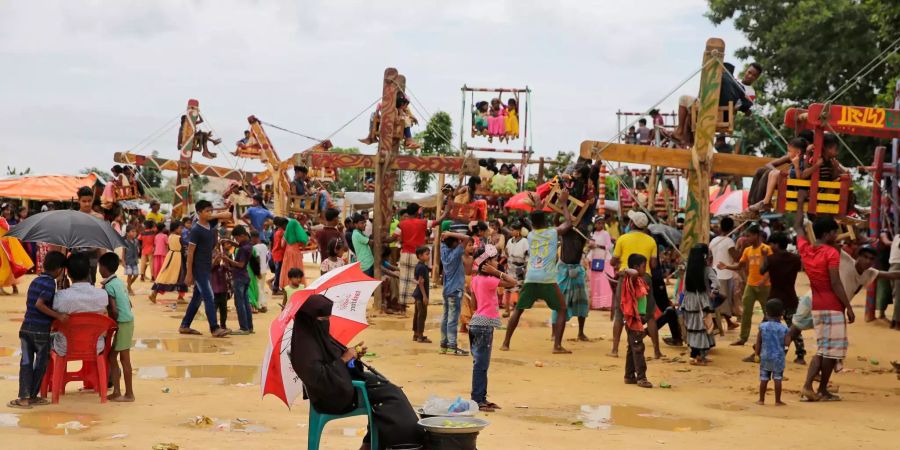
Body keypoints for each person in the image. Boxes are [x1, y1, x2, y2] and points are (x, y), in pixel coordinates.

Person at [289, 295, 423, 449]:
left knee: (391, 389)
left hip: (341, 383)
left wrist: (353, 357)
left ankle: (371, 443)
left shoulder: (317, 336)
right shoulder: (304, 349)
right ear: (310, 320)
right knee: (390, 399)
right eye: (322, 319)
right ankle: (405, 443)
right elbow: (319, 378)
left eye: (328, 318)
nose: (326, 322)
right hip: (331, 396)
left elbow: (334, 360)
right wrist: (345, 359)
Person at [501, 191, 575, 354]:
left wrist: (536, 205)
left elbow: (535, 221)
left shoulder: (532, 235)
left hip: (531, 277)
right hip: (547, 279)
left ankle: (506, 343)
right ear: (546, 222)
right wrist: (563, 203)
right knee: (562, 308)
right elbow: (569, 223)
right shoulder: (552, 233)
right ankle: (557, 346)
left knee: (518, 310)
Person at [794, 191, 851, 402]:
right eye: (834, 233)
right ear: (827, 234)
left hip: (817, 305)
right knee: (830, 352)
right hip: (832, 306)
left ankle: (814, 388)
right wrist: (849, 307)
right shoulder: (831, 253)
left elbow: (798, 226)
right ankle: (815, 388)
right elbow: (836, 283)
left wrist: (800, 202)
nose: (837, 236)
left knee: (824, 349)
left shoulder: (807, 249)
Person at [9, 251, 66, 409]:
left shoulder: (36, 280)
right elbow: (40, 304)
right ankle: (30, 396)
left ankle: (25, 397)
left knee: (26, 362)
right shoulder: (49, 284)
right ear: (59, 269)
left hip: (26, 328)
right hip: (40, 330)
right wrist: (58, 316)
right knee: (41, 363)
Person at [608, 210, 663, 359]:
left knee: (620, 313)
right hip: (645, 277)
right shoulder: (651, 241)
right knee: (650, 315)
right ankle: (657, 351)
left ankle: (614, 349)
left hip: (625, 277)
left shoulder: (622, 238)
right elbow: (653, 264)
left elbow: (613, 261)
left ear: (632, 223)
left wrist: (620, 263)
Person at [469, 244, 517, 412]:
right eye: (494, 260)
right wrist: (496, 272)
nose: (497, 262)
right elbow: (513, 282)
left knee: (479, 363)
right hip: (484, 325)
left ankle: (481, 397)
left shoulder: (475, 280)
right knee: (481, 365)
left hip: (476, 323)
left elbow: (474, 304)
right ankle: (478, 399)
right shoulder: (490, 280)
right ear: (487, 263)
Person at [180, 200, 232, 338]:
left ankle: (185, 325)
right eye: (207, 211)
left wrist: (213, 215)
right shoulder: (196, 230)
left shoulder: (211, 224)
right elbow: (190, 253)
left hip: (207, 267)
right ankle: (214, 328)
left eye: (211, 210)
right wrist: (189, 273)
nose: (210, 213)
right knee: (209, 296)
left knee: (197, 298)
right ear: (199, 213)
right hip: (198, 268)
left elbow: (228, 215)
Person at [718, 225, 770, 346]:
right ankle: (743, 338)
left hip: (765, 286)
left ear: (756, 235)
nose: (746, 238)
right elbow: (740, 265)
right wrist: (726, 266)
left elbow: (771, 267)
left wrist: (765, 279)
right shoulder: (747, 250)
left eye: (749, 236)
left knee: (767, 312)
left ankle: (766, 339)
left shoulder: (766, 249)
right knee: (746, 312)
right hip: (750, 285)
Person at [52, 253, 113, 356]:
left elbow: (55, 314)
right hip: (95, 346)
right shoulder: (102, 295)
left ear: (69, 274)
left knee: (47, 341)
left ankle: (53, 372)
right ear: (89, 271)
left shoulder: (61, 297)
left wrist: (62, 289)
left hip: (65, 347)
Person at [759, 232, 806, 364]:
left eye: (771, 244)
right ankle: (800, 355)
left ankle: (757, 351)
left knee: (765, 326)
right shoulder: (796, 258)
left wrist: (764, 257)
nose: (770, 246)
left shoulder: (771, 258)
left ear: (776, 244)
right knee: (795, 327)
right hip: (790, 296)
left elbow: (761, 271)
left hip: (774, 297)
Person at [394, 203, 445, 311]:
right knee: (419, 279)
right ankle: (418, 301)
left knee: (404, 280)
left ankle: (402, 305)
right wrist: (447, 211)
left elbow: (393, 237)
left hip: (405, 253)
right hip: (418, 255)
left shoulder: (401, 224)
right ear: (418, 212)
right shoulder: (423, 222)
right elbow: (438, 222)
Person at [98, 253, 135, 402]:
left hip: (123, 323)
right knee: (114, 357)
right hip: (127, 322)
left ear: (104, 268)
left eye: (100, 266)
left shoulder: (108, 286)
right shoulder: (118, 282)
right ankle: (118, 391)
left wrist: (109, 324)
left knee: (123, 359)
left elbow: (114, 310)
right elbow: (129, 304)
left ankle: (129, 394)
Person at [550, 220, 591, 342]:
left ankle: (581, 332)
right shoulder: (565, 231)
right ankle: (554, 333)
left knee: (582, 301)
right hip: (563, 270)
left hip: (577, 269)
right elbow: (557, 225)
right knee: (558, 301)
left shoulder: (582, 231)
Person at [618, 254, 653, 388]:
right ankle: (641, 378)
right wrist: (625, 269)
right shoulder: (632, 279)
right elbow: (632, 273)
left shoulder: (639, 280)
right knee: (638, 347)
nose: (646, 269)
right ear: (636, 267)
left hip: (637, 318)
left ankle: (629, 375)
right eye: (644, 266)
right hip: (633, 319)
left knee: (632, 348)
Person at [681, 244, 716, 365]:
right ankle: (695, 356)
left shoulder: (688, 269)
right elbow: (716, 284)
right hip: (701, 300)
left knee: (694, 327)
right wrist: (713, 292)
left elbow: (684, 288)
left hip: (689, 300)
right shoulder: (707, 269)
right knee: (703, 327)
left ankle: (698, 355)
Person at [439, 231, 471, 356]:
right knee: (452, 319)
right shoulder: (456, 253)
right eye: (457, 241)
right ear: (453, 244)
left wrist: (447, 235)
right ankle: (452, 345)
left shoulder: (444, 251)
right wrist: (451, 233)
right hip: (455, 289)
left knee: (445, 317)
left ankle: (444, 345)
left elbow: (443, 240)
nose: (459, 242)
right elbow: (467, 238)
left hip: (446, 289)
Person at [709, 217, 741, 334]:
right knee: (722, 301)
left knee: (720, 300)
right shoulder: (729, 242)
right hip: (724, 275)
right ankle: (718, 324)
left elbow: (710, 257)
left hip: (714, 273)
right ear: (732, 228)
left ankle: (728, 322)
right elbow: (736, 257)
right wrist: (741, 246)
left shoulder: (714, 240)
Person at [756, 298, 789, 406]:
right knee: (778, 378)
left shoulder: (762, 326)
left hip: (765, 356)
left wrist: (757, 353)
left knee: (764, 378)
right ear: (782, 313)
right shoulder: (783, 329)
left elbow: (758, 342)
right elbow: (787, 343)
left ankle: (761, 400)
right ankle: (777, 401)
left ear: (766, 313)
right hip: (778, 357)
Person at [221, 226, 253, 335]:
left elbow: (240, 264)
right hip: (244, 277)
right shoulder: (248, 244)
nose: (236, 240)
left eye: (237, 238)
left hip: (239, 276)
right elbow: (239, 245)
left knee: (240, 303)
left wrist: (227, 259)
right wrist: (231, 242)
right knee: (245, 303)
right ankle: (249, 327)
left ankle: (243, 328)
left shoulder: (243, 249)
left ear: (242, 236)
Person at [150, 221, 188, 304]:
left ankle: (154, 293)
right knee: (181, 275)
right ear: (175, 228)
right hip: (178, 257)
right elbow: (186, 244)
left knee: (166, 275)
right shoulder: (178, 237)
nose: (181, 230)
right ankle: (181, 296)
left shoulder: (170, 236)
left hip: (171, 256)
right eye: (180, 228)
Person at [503, 222, 529, 317]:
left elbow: (527, 256)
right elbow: (506, 252)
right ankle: (507, 310)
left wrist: (526, 268)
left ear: (518, 231)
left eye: (513, 230)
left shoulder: (525, 241)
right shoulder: (510, 241)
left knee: (518, 289)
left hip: (520, 267)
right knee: (507, 289)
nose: (511, 231)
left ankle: (517, 310)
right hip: (510, 267)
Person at [589, 216, 614, 310]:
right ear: (595, 224)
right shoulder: (592, 234)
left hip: (604, 260)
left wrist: (597, 245)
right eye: (599, 223)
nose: (601, 225)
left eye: (602, 223)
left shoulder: (606, 234)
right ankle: (596, 304)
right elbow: (590, 246)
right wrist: (591, 246)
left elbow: (608, 247)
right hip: (594, 259)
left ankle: (606, 304)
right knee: (595, 281)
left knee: (604, 281)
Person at [278, 218, 309, 290]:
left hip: (288, 252)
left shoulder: (286, 234)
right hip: (296, 252)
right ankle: (298, 284)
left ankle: (287, 284)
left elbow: (282, 245)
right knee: (297, 267)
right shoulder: (297, 235)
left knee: (288, 268)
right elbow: (304, 244)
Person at [211, 240, 233, 330]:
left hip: (223, 290)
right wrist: (216, 259)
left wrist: (225, 262)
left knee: (223, 309)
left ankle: (223, 325)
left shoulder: (222, 267)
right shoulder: (213, 267)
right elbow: (210, 267)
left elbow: (229, 270)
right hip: (215, 290)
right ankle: (214, 325)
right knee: (214, 309)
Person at [411, 246, 431, 343]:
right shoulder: (421, 267)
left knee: (417, 314)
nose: (429, 256)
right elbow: (421, 283)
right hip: (420, 295)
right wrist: (424, 296)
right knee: (421, 315)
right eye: (427, 254)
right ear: (420, 256)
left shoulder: (421, 266)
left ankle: (416, 334)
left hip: (418, 294)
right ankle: (420, 336)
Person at [315, 208, 344, 274]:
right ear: (335, 219)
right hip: (336, 267)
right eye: (338, 217)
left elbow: (318, 246)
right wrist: (341, 232)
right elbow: (345, 248)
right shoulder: (337, 233)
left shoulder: (320, 233)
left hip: (324, 265)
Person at [270, 217, 287, 294]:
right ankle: (275, 289)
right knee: (278, 272)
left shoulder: (277, 232)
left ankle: (276, 288)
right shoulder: (282, 233)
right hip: (279, 254)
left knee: (278, 272)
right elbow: (282, 245)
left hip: (276, 253)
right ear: (283, 225)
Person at [122, 226, 140, 295]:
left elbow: (137, 249)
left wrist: (138, 252)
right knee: (129, 275)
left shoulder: (136, 241)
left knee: (136, 275)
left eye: (135, 231)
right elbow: (123, 252)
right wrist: (123, 261)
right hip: (128, 261)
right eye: (132, 231)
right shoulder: (125, 242)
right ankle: (129, 289)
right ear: (127, 233)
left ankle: (128, 286)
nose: (135, 233)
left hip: (135, 261)